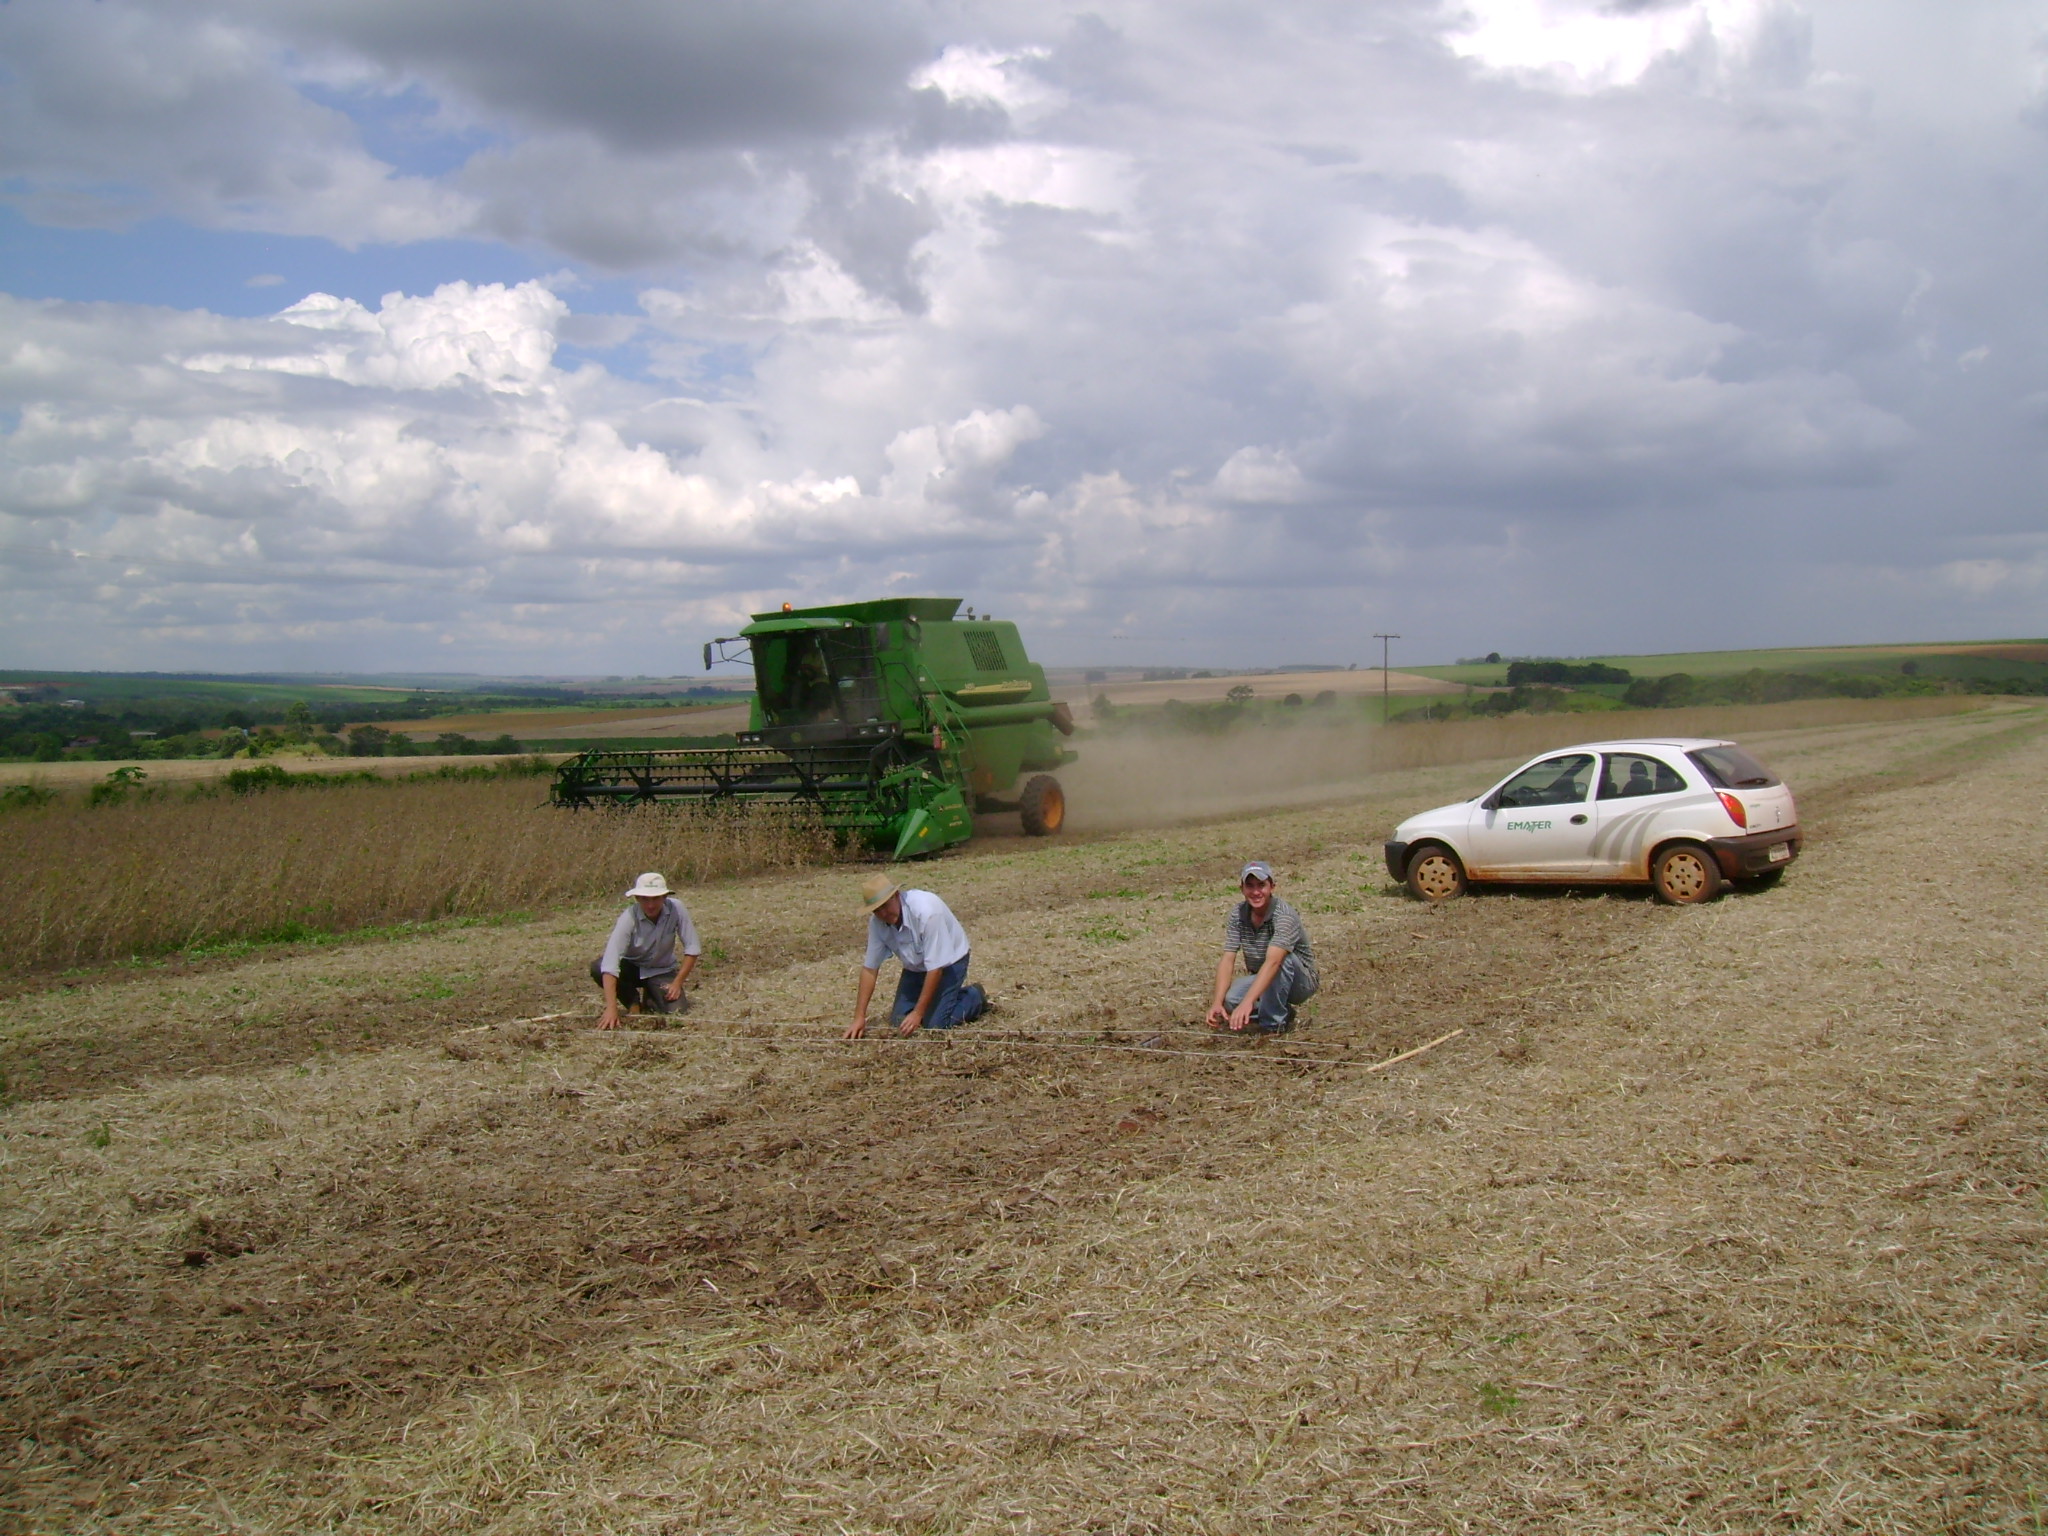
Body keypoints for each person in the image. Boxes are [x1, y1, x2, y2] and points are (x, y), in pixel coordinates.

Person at [844, 873, 987, 1038]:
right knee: (899, 1020)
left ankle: (974, 996)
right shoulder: (877, 924)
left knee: (935, 1025)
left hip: (949, 963)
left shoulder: (927, 911)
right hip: (915, 967)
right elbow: (870, 969)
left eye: (885, 905)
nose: (883, 913)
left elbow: (936, 969)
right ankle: (938, 1002)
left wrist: (918, 1012)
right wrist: (859, 1017)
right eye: (877, 910)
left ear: (896, 896)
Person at [1206, 860, 1318, 1034]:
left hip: (1299, 981)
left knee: (1283, 958)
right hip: (1264, 976)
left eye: (1261, 885)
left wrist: (1248, 1002)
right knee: (1232, 999)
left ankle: (1273, 1027)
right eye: (1250, 886)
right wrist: (1217, 1002)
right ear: (1241, 889)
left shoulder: (1284, 915)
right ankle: (1283, 1013)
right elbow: (1228, 958)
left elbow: (1274, 962)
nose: (1256, 892)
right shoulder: (1238, 914)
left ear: (1272, 887)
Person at [592, 872, 702, 1030]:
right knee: (598, 966)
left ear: (664, 897)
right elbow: (610, 963)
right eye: (645, 899)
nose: (651, 905)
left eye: (656, 898)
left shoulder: (677, 908)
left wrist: (677, 983)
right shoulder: (628, 917)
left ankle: (651, 997)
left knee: (677, 1010)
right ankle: (632, 1001)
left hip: (661, 970)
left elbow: (692, 947)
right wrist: (611, 1008)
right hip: (632, 968)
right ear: (637, 898)